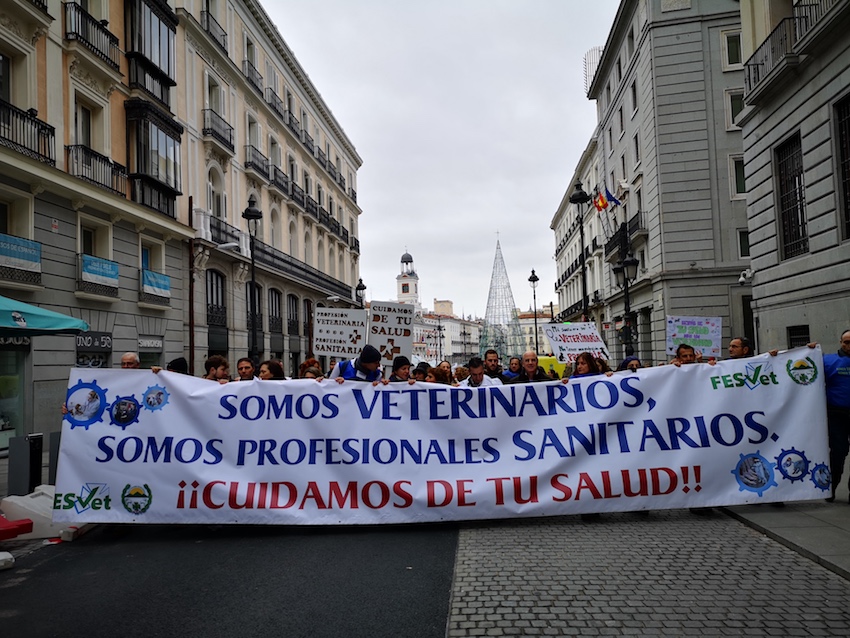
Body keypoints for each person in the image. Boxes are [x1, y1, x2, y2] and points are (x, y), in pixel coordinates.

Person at [825, 330, 850, 502]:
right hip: (837, 414)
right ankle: (830, 488)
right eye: (846, 342)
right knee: (838, 453)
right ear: (840, 342)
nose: (848, 345)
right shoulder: (828, 361)